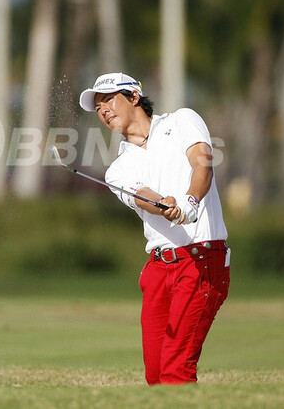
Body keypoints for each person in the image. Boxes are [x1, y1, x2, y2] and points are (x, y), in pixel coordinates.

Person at [79, 72, 230, 385]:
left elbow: (202, 164)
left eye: (108, 100)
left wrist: (190, 201)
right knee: (156, 375)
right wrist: (165, 204)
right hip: (159, 270)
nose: (103, 110)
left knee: (176, 370)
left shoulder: (182, 120)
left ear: (134, 96)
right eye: (98, 107)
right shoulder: (117, 169)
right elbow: (144, 197)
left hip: (200, 261)